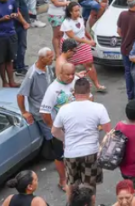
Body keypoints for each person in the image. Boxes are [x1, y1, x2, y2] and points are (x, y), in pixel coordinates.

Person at [53, 77, 111, 202]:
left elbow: (54, 131)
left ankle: (71, 204)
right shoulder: (99, 108)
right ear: (89, 91)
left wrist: (65, 139)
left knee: (72, 184)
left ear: (74, 92)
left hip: (71, 153)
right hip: (91, 151)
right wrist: (101, 146)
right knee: (90, 186)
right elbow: (108, 131)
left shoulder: (64, 109)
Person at [41, 62, 77, 193]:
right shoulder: (53, 89)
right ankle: (62, 180)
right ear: (60, 73)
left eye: (73, 73)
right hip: (61, 130)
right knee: (60, 156)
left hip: (75, 128)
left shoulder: (76, 81)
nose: (71, 77)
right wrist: (54, 127)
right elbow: (44, 113)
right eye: (68, 74)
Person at [61, 2, 106, 92]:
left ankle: (97, 84)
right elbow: (73, 37)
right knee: (69, 67)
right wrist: (88, 41)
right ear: (70, 12)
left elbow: (84, 30)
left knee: (89, 63)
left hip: (82, 43)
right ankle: (68, 86)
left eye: (79, 10)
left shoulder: (80, 18)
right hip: (71, 46)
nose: (78, 12)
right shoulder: (66, 23)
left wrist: (90, 38)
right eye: (76, 11)